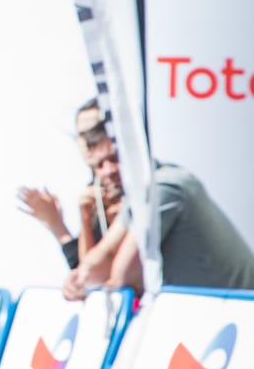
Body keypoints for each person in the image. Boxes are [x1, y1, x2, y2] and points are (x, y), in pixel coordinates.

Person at [62, 125, 254, 299]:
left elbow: (124, 278)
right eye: (99, 165)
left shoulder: (165, 187)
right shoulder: (141, 191)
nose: (108, 170)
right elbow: (104, 255)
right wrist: (78, 280)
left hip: (238, 315)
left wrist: (87, 290)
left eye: (114, 159)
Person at [16, 100, 120, 269]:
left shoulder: (124, 189)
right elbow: (84, 272)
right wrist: (56, 224)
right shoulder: (94, 189)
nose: (88, 142)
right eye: (82, 135)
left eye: (94, 132)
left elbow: (96, 273)